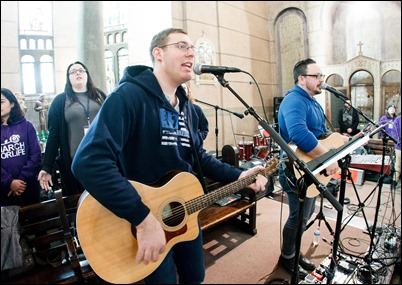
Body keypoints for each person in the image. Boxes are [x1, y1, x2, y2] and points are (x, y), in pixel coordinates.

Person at [71, 28, 268, 284]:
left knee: (195, 276)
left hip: (183, 211)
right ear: (158, 53)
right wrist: (142, 219)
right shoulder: (128, 97)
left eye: (193, 48)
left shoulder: (186, 107)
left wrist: (240, 175)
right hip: (142, 217)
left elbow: (198, 157)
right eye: (182, 46)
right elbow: (88, 162)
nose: (191, 53)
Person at [277, 58, 348, 279]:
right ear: (301, 78)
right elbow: (299, 134)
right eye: (316, 76)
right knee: (297, 217)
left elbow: (319, 134)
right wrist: (328, 157)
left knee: (304, 216)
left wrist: (338, 140)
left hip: (312, 168)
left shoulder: (311, 101)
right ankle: (286, 258)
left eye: (321, 76)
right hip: (296, 170)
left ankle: (295, 253)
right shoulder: (293, 101)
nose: (321, 80)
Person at [38, 61, 106, 196]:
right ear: (68, 78)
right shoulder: (60, 101)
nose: (78, 73)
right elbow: (54, 136)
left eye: (81, 70)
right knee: (81, 202)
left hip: (104, 159)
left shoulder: (100, 95)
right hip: (76, 162)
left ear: (87, 74)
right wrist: (47, 167)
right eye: (73, 72)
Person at [1, 88, 42, 206]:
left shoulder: (27, 126)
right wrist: (10, 182)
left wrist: (21, 180)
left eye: (1, 101)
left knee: (33, 221)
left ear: (12, 103)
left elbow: (35, 155)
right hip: (4, 189)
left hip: (28, 185)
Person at [393, 114, 401, 188]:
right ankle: (395, 181)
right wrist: (397, 141)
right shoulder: (398, 119)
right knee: (398, 165)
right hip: (399, 146)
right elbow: (394, 132)